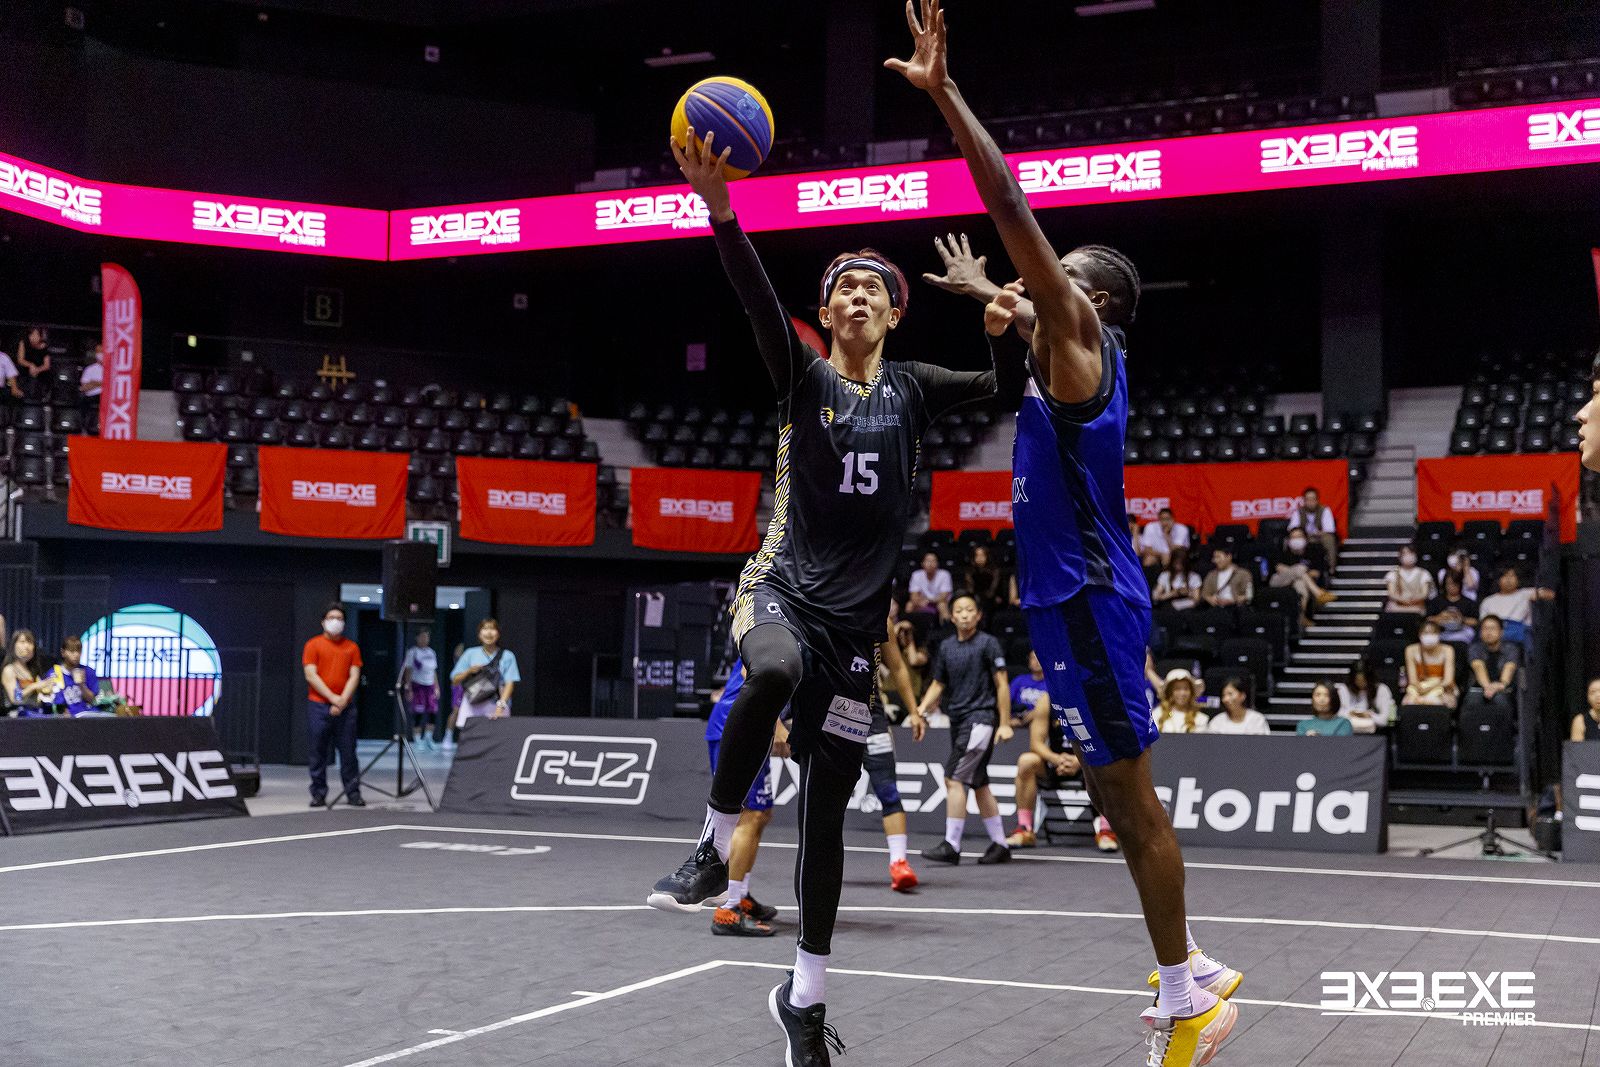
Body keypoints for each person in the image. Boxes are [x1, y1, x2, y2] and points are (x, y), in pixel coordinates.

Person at [889, 8, 1240, 1059]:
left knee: (1129, 803)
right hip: (1069, 600)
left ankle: (1189, 999)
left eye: (1051, 272)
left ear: (1090, 297)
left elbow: (1007, 203)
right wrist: (984, 296)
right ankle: (1194, 966)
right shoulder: (1061, 355)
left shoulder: (1080, 339)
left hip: (1084, 599)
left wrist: (945, 94)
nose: (1029, 278)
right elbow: (1021, 305)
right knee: (1115, 793)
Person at [646, 105, 1003, 1066]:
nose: (854, 295)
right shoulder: (803, 380)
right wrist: (722, 213)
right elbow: (757, 302)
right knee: (769, 671)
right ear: (829, 310)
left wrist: (1000, 320)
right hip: (782, 590)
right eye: (841, 285)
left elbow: (1006, 385)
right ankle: (713, 843)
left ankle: (804, 999)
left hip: (854, 633)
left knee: (828, 821)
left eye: (871, 287)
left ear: (893, 313)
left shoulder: (914, 387)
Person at [917, 592, 1014, 865]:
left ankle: (951, 845)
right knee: (979, 782)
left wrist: (1005, 723)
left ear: (979, 615)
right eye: (959, 610)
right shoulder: (946, 647)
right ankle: (1000, 844)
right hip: (958, 721)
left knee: (954, 779)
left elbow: (1002, 684)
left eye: (970, 610)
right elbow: (938, 684)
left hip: (980, 719)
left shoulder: (988, 643)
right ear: (951, 616)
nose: (964, 615)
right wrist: (920, 710)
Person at [704, 660, 789, 937]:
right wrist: (777, 724)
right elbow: (753, 673)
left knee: (760, 814)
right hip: (735, 727)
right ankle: (728, 910)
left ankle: (740, 894)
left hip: (754, 727)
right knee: (747, 817)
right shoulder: (787, 635)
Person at [1008, 686, 1118, 851]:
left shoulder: (1094, 697)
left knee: (1107, 764)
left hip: (1089, 761)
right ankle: (1025, 829)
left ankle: (1106, 831)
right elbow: (1036, 743)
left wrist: (1079, 761)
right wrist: (1057, 759)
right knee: (1026, 761)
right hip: (1056, 762)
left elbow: (1105, 740)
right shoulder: (1047, 700)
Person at [302, 603, 363, 807]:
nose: (335, 622)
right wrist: (332, 698)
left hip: (346, 708)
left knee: (348, 753)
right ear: (323, 622)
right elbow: (311, 675)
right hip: (318, 706)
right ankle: (318, 793)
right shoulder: (313, 645)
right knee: (317, 752)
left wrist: (342, 700)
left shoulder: (351, 647)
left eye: (339, 618)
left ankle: (353, 793)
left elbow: (354, 675)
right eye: (331, 618)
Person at [448, 618, 519, 740]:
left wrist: (501, 706)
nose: (489, 633)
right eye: (485, 629)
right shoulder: (470, 653)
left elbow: (509, 683)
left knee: (497, 740)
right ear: (479, 634)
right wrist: (469, 671)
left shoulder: (507, 656)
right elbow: (455, 680)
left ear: (498, 633)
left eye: (492, 629)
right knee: (471, 741)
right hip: (473, 704)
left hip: (496, 704)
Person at [1268, 529, 1336, 627]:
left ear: (1305, 539)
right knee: (1300, 568)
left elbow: (1316, 573)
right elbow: (1278, 568)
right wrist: (1300, 571)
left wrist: (1296, 572)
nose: (1296, 540)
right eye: (1293, 537)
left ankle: (1301, 617)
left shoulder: (1312, 553)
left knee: (1300, 584)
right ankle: (1318, 593)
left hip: (1296, 583)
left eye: (1299, 537)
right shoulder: (1283, 553)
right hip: (1278, 581)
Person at [1477, 567, 1553, 645]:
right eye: (1505, 576)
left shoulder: (1526, 593)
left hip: (1520, 634)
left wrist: (1539, 594)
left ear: (1518, 580)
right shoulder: (1488, 601)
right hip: (1495, 633)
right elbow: (1484, 624)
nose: (1508, 580)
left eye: (1512, 576)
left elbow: (1551, 594)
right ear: (1498, 580)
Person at [46, 636, 110, 717]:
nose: (76, 655)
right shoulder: (55, 673)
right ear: (63, 652)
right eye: (72, 651)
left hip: (88, 714)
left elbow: (91, 700)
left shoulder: (88, 671)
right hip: (68, 717)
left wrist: (81, 685)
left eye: (78, 651)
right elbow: (55, 704)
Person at [1468, 615, 1522, 707]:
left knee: (1501, 699)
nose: (1489, 632)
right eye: (1485, 628)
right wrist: (1488, 687)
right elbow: (1478, 666)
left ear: (1501, 632)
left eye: (1493, 628)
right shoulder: (1475, 648)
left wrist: (1501, 684)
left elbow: (1510, 667)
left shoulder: (1511, 648)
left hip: (1505, 689)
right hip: (1480, 688)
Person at [402, 628, 441, 751]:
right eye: (422, 637)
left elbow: (433, 671)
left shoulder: (432, 652)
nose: (424, 639)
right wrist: (409, 688)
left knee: (432, 713)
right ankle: (418, 740)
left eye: (426, 637)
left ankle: (429, 738)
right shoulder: (412, 652)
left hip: (430, 686)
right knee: (418, 713)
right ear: (417, 638)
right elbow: (408, 670)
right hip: (418, 686)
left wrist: (436, 687)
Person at [1403, 620, 1458, 709]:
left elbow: (1448, 680)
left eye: (1433, 633)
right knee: (1409, 702)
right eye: (1426, 633)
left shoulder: (1448, 650)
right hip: (1419, 687)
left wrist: (1430, 689)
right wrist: (1421, 690)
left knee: (1436, 701)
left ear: (1439, 634)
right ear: (1419, 635)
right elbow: (1412, 680)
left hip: (1441, 687)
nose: (1429, 636)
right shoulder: (1410, 650)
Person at [1287, 487, 1339, 570]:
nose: (1310, 502)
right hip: (1304, 537)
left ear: (1317, 500)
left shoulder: (1324, 510)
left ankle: (1331, 568)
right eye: (1308, 499)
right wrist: (1302, 534)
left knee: (1329, 539)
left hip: (1320, 537)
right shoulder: (1298, 512)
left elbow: (1329, 529)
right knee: (1292, 539)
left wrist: (1317, 534)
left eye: (1313, 499)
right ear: (1304, 501)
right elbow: (1292, 528)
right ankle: (1292, 567)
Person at [1336, 661, 1396, 733]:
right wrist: (1350, 713)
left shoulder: (1381, 689)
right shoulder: (1344, 689)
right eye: (1357, 681)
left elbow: (1385, 720)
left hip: (1375, 732)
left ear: (1370, 679)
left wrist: (1370, 716)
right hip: (1348, 730)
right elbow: (1337, 714)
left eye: (1363, 681)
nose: (1360, 684)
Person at [2, 629, 50, 715]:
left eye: (30, 643)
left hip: (36, 713)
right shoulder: (9, 670)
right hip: (17, 716)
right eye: (22, 642)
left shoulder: (33, 670)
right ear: (13, 646)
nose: (27, 646)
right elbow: (15, 698)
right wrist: (34, 686)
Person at [1425, 570, 1478, 645]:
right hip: (1440, 631)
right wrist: (1440, 617)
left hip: (1462, 633)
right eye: (1449, 584)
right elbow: (1428, 619)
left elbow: (1475, 622)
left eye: (1455, 584)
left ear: (1460, 584)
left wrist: (1461, 619)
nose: (1451, 587)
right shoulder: (1436, 601)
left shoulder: (1469, 602)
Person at [1383, 545, 1435, 614]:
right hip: (1397, 607)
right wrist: (1403, 600)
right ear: (1400, 557)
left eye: (1411, 553)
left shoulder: (1424, 574)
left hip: (1417, 607)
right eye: (1404, 554)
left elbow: (1424, 594)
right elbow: (1391, 593)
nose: (1408, 556)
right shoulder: (1393, 574)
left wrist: (1413, 599)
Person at [1154, 669, 1208, 735]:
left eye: (1186, 689)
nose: (1182, 693)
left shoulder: (1200, 719)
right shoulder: (1157, 714)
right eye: (1177, 689)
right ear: (1170, 692)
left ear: (1191, 692)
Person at [1138, 507, 1191, 572]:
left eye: (1168, 519)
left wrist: (1167, 535)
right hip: (1157, 554)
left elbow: (1177, 551)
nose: (1165, 522)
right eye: (1162, 519)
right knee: (1148, 560)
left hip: (1175, 556)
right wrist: (1161, 554)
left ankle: (1167, 577)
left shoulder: (1182, 529)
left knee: (1168, 558)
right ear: (1159, 519)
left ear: (1173, 519)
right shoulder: (1150, 527)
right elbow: (1146, 549)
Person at [960, 543, 1006, 615]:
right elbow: (970, 589)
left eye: (982, 555)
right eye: (977, 555)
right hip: (976, 597)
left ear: (987, 556)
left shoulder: (994, 571)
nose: (980, 558)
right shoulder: (970, 571)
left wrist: (991, 597)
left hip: (992, 598)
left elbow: (994, 588)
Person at [1152, 547, 1201, 612]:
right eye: (1176, 563)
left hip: (1187, 609)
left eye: (1181, 563)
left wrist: (1187, 592)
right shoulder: (1165, 575)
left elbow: (1197, 599)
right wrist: (1173, 593)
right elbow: (1156, 596)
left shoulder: (1194, 577)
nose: (1178, 566)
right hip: (1168, 607)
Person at [908, 550, 954, 620]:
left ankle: (946, 626)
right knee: (909, 605)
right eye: (928, 561)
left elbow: (943, 596)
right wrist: (921, 602)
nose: (930, 564)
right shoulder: (916, 575)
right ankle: (908, 625)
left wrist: (929, 601)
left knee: (942, 605)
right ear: (922, 563)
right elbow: (913, 597)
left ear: (937, 563)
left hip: (939, 602)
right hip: (923, 602)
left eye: (933, 561)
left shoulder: (944, 574)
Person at [15, 326, 50, 400]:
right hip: (24, 373)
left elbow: (47, 365)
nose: (33, 337)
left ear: (41, 336)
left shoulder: (44, 347)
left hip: (39, 375)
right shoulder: (23, 343)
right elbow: (20, 360)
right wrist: (30, 365)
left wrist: (37, 370)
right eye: (31, 334)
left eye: (36, 334)